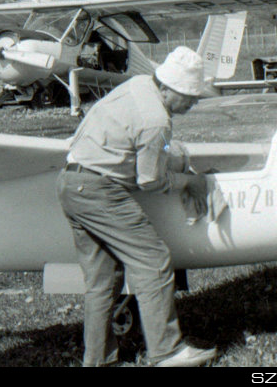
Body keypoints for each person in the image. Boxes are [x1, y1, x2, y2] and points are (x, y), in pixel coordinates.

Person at [56, 46, 218, 367]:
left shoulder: (139, 85)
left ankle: (99, 360)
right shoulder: (157, 120)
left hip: (70, 183)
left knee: (103, 280)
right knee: (153, 261)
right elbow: (150, 181)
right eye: (191, 97)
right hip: (100, 189)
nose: (194, 103)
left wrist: (173, 153)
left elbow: (135, 142)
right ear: (171, 91)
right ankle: (167, 351)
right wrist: (190, 181)